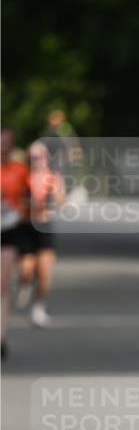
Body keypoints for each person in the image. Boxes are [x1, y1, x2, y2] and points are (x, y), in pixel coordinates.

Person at [16, 140, 65, 327]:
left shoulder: (53, 177)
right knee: (26, 269)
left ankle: (39, 308)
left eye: (41, 156)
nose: (37, 160)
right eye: (33, 156)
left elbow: (61, 200)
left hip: (44, 226)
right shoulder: (22, 175)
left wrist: (55, 195)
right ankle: (25, 284)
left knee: (45, 271)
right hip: (26, 225)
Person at [0, 129, 30, 358]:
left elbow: (30, 197)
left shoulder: (20, 170)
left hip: (9, 229)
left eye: (8, 142)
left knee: (2, 283)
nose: (4, 146)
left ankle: (1, 336)